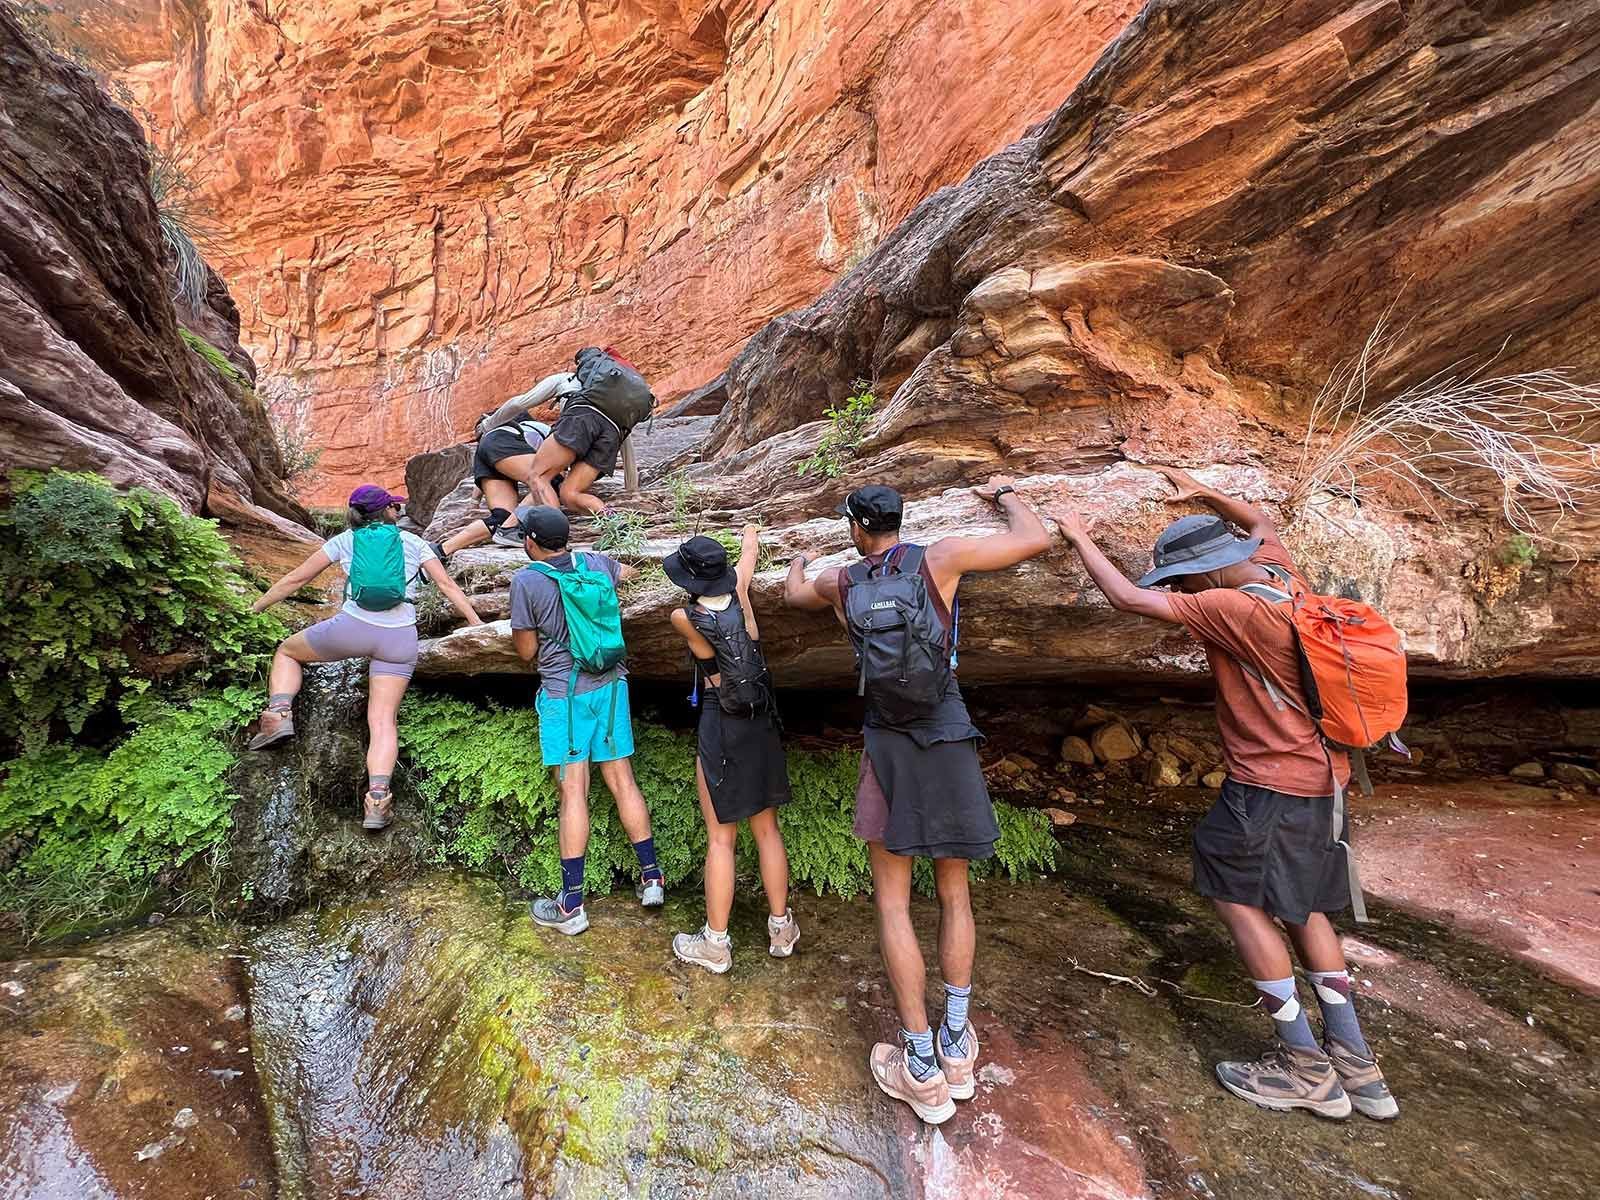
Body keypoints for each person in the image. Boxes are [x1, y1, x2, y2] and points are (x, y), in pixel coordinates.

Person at [1050, 465, 1398, 1121]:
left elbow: (1130, 599)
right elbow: (1259, 521)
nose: (1177, 591)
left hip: (1267, 788)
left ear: (1207, 575)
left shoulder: (1230, 608)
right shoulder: (1280, 577)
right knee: (1301, 908)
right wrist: (1202, 492)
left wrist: (1075, 534)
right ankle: (1357, 1064)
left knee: (1235, 896)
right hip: (1327, 784)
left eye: (1181, 579)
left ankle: (1304, 1068)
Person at [783, 478, 1051, 1124]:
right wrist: (1006, 493)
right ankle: (957, 1045)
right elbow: (1034, 538)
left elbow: (793, 593)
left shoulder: (843, 583)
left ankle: (920, 1066)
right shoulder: (942, 558)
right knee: (955, 894)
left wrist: (795, 556)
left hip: (888, 743)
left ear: (855, 527)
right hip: (948, 731)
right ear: (901, 520)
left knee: (893, 901)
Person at [247, 484, 484, 828]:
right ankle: (377, 801)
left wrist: (256, 607)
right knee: (383, 721)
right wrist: (475, 623)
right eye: (395, 507)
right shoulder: (413, 543)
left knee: (286, 651)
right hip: (399, 640)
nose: (398, 511)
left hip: (351, 629)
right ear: (389, 511)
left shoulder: (345, 540)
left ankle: (279, 714)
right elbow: (446, 586)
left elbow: (297, 578)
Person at [510, 504, 666, 934]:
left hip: (567, 696)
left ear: (531, 542)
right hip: (613, 687)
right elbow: (631, 575)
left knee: (574, 792)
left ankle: (571, 906)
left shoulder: (526, 581)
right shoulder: (595, 561)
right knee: (623, 780)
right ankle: (652, 877)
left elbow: (525, 652)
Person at [663, 527, 798, 974]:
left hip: (722, 723)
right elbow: (749, 556)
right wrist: (750, 533)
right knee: (768, 831)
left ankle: (716, 944)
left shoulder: (684, 617)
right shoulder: (739, 589)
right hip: (762, 721)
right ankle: (781, 929)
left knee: (721, 838)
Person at [433, 372, 581, 558]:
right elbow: (548, 466)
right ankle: (522, 533)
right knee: (549, 481)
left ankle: (442, 550)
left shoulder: (491, 435)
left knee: (501, 517)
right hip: (502, 444)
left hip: (486, 454)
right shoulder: (538, 429)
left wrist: (473, 502)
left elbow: (489, 470)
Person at [524, 347, 648, 516]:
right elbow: (627, 444)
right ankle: (611, 519)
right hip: (611, 435)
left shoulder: (569, 380)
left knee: (538, 476)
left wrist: (488, 424)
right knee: (570, 494)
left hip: (582, 419)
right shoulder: (618, 403)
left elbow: (519, 404)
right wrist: (632, 489)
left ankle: (553, 534)